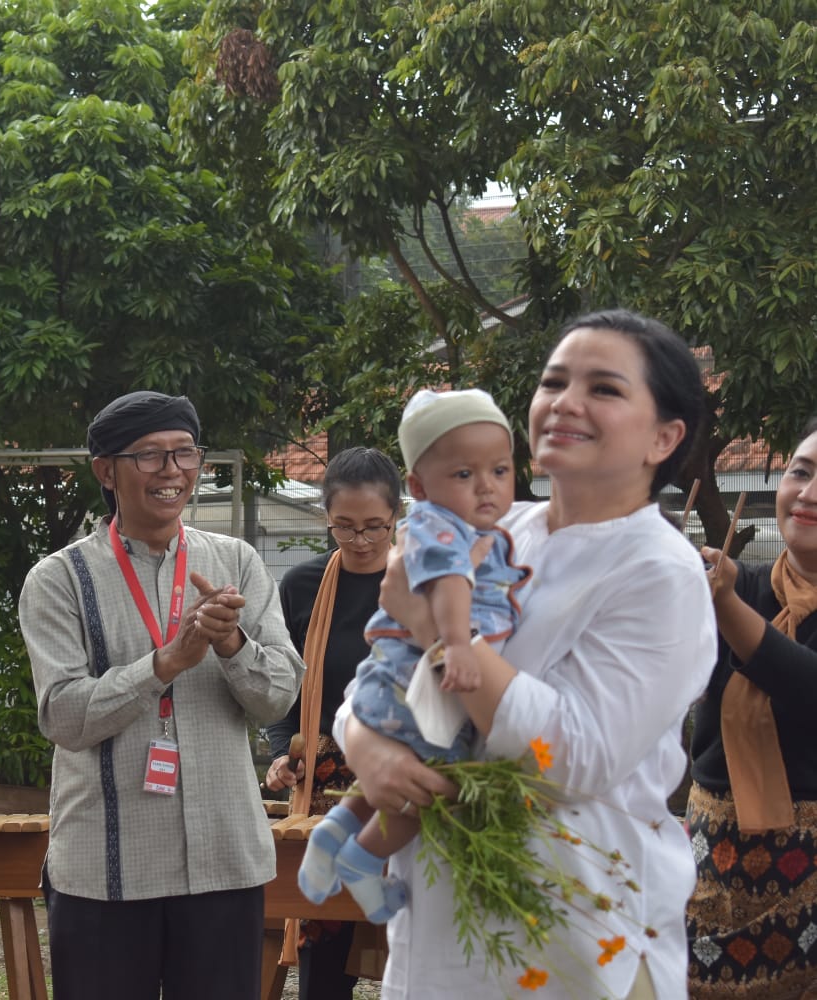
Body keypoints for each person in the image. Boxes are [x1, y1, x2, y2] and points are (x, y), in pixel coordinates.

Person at [336, 309, 716, 998]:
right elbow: (379, 671)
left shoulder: (661, 571)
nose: (565, 402)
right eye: (554, 381)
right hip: (445, 928)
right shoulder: (491, 529)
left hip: (571, 936)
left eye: (604, 388)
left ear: (665, 436)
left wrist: (442, 635)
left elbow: (573, 760)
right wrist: (366, 745)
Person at [19, 390, 303, 1000]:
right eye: (149, 456)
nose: (172, 472)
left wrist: (231, 647)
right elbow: (64, 716)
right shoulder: (59, 579)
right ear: (106, 470)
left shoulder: (237, 563)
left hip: (225, 861)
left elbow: (279, 695)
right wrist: (165, 662)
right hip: (106, 869)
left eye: (184, 454)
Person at [300, 388, 529, 923]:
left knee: (392, 775)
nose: (488, 487)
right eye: (465, 475)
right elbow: (452, 585)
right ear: (420, 487)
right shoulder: (442, 529)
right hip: (421, 679)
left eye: (500, 470)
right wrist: (452, 644)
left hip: (392, 682)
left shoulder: (464, 527)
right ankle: (362, 860)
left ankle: (335, 831)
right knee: (428, 784)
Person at [686, 415, 817, 998]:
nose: (808, 495)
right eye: (801, 472)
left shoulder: (732, 598)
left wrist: (727, 607)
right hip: (707, 861)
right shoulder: (744, 586)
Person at [267, 446, 404, 999]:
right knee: (323, 952)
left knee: (418, 939)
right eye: (344, 527)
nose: (361, 540)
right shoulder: (301, 588)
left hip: (409, 775)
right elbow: (283, 685)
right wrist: (283, 751)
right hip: (325, 787)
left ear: (397, 517)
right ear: (326, 518)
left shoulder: (424, 586)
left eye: (375, 526)